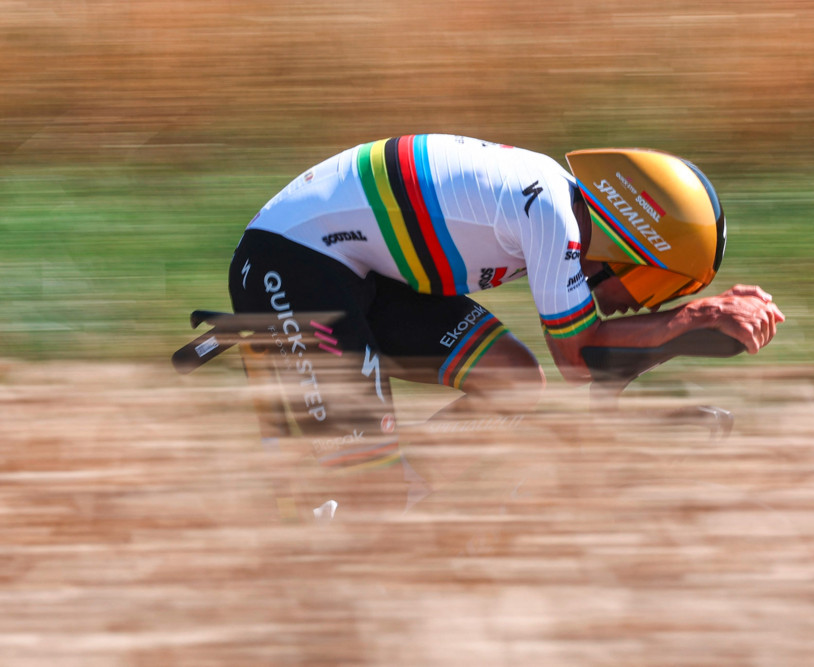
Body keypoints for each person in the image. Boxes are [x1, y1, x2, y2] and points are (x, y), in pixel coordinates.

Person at [227, 134, 784, 513]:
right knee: (356, 500)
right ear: (634, 243)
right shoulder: (552, 216)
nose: (640, 305)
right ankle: (332, 527)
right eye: (654, 286)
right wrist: (697, 317)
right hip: (292, 263)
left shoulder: (557, 209)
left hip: (356, 270)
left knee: (511, 378)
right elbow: (581, 360)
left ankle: (400, 506)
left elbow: (594, 370)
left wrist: (683, 335)